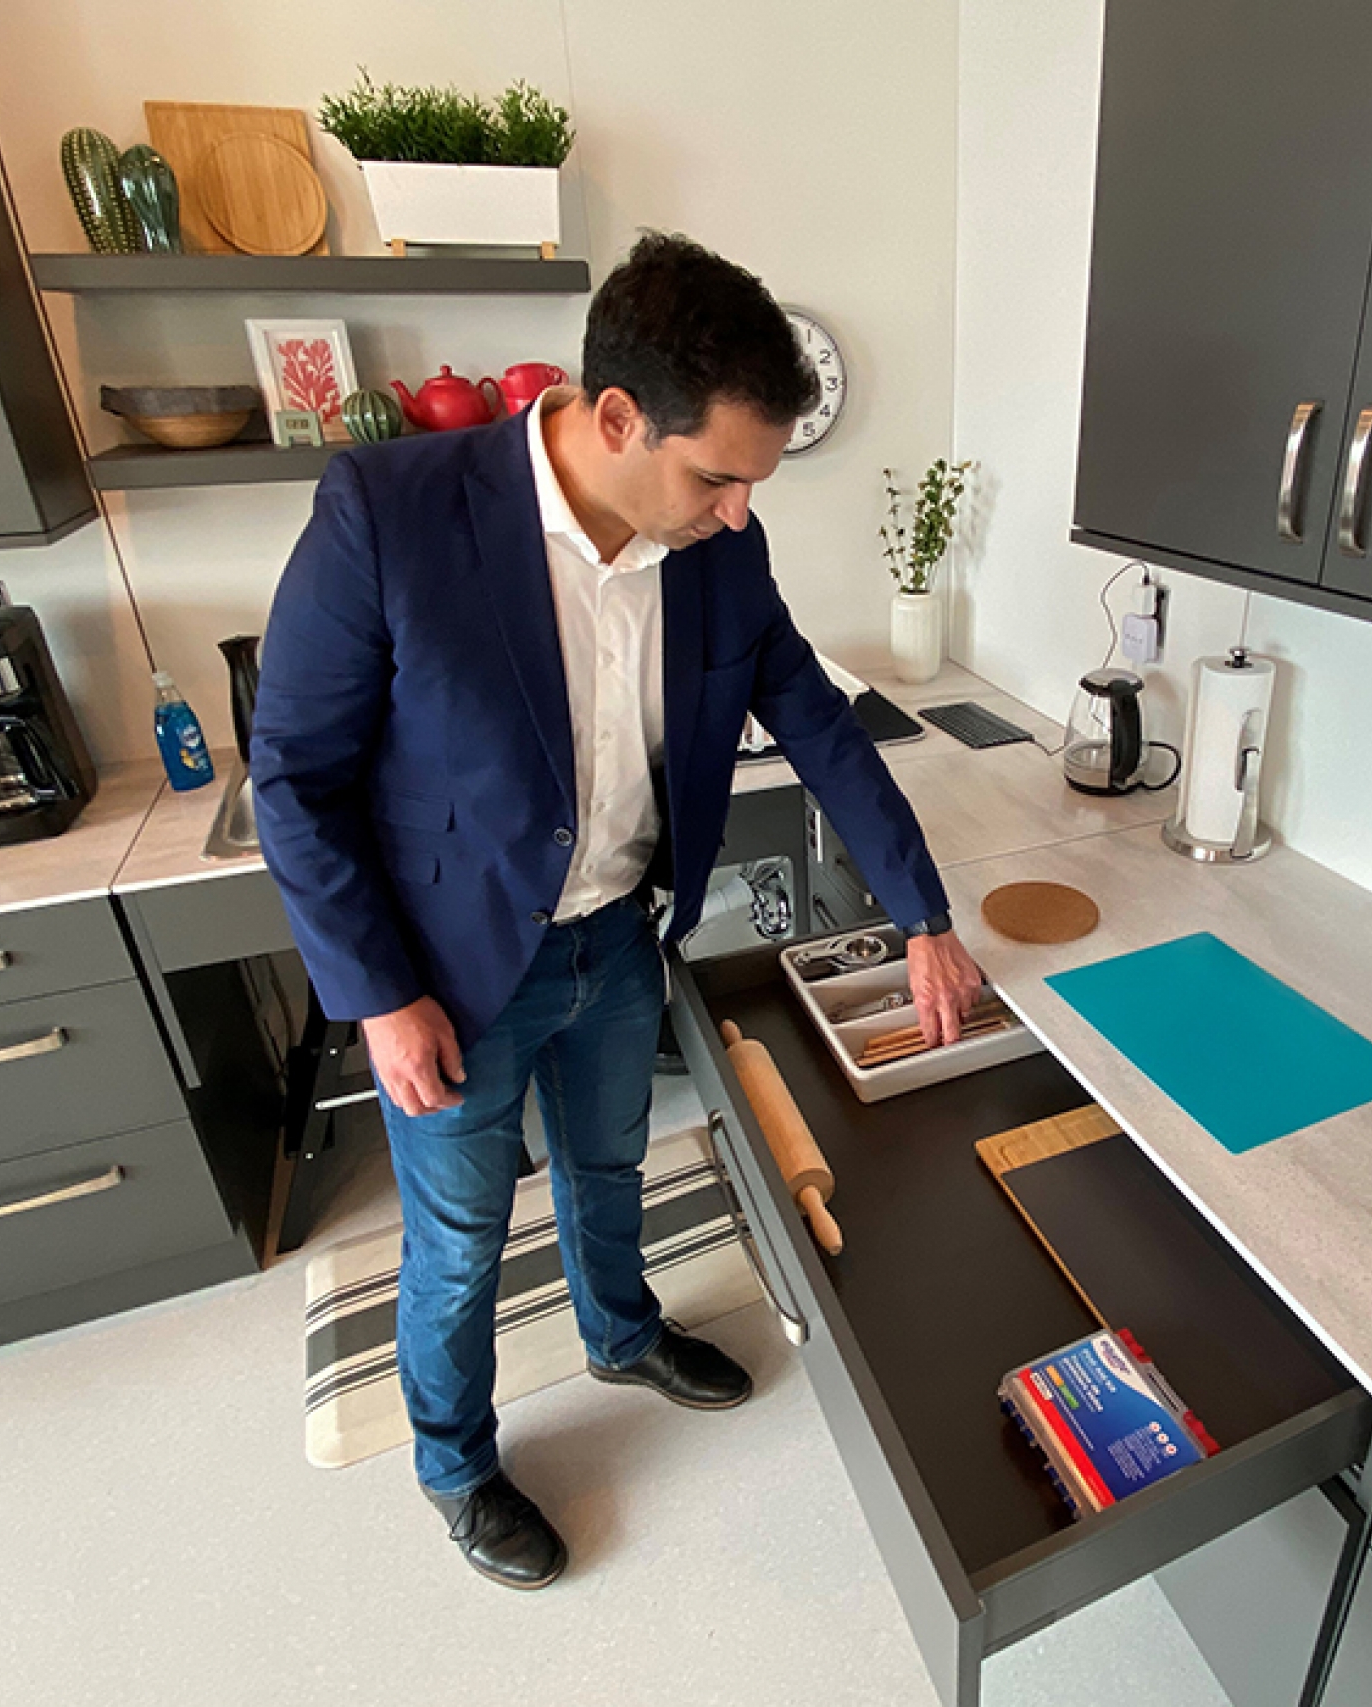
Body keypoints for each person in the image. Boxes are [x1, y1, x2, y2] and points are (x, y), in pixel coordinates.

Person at [249, 232, 987, 1591]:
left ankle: (620, 1330)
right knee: (462, 1241)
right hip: (450, 970)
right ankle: (455, 1465)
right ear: (614, 419)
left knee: (611, 1168)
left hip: (619, 935)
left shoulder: (713, 549)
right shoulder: (389, 509)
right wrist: (373, 994)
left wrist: (924, 911)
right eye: (718, 476)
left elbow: (818, 724)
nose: (736, 513)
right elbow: (294, 780)